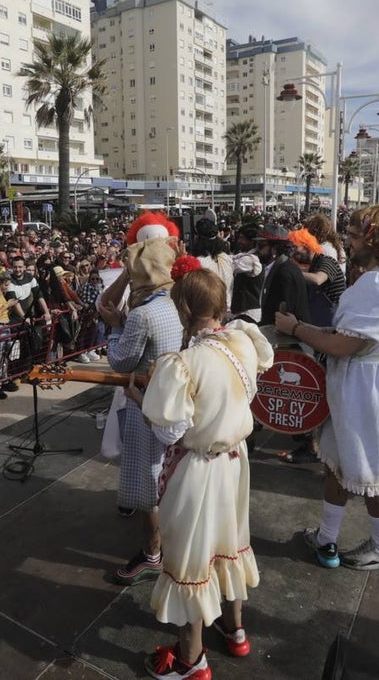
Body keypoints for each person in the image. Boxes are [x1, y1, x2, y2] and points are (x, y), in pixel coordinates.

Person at [128, 267, 274, 680]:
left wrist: (142, 397)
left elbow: (169, 430)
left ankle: (192, 660)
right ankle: (235, 630)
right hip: (234, 461)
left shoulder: (183, 363)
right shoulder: (243, 341)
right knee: (230, 541)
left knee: (191, 557)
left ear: (184, 309)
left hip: (198, 468)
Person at [275, 204, 379, 571]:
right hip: (359, 382)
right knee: (338, 464)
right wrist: (309, 328)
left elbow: (345, 345)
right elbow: (344, 336)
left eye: (352, 236)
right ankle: (326, 538)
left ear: (373, 238)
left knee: (372, 471)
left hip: (368, 389)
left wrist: (296, 330)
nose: (347, 243)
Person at [98, 213, 185, 586]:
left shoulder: (142, 315)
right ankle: (168, 544)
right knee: (167, 476)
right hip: (173, 403)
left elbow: (121, 361)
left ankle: (152, 554)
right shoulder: (180, 301)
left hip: (143, 403)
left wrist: (116, 328)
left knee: (148, 484)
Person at [256, 224, 309, 326]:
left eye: (261, 245)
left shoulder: (284, 273)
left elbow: (287, 312)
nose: (258, 250)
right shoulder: (280, 268)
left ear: (274, 249)